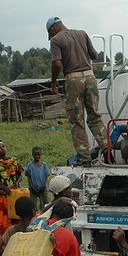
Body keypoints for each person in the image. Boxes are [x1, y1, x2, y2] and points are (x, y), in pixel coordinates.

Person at [47, 17, 108, 165]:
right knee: (95, 115)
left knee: (76, 119)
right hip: (90, 77)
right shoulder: (82, 33)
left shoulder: (56, 40)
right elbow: (94, 55)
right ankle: (107, 149)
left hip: (73, 79)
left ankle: (84, 158)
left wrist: (54, 81)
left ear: (52, 29)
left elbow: (57, 64)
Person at [0, 140, 24, 249]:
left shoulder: (14, 161)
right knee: (1, 222)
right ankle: (1, 246)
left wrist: (17, 182)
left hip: (14, 195)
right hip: (1, 197)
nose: (2, 148)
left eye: (3, 146)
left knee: (15, 219)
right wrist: (3, 187)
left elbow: (19, 174)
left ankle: (16, 244)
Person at [25, 146, 51, 211]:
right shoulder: (30, 165)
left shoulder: (44, 165)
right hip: (33, 189)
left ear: (41, 154)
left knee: (45, 204)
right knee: (32, 205)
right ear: (32, 155)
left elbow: (46, 177)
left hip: (43, 189)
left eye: (38, 154)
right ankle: (33, 217)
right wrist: (32, 187)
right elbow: (29, 178)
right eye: (35, 154)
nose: (37, 156)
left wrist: (44, 185)